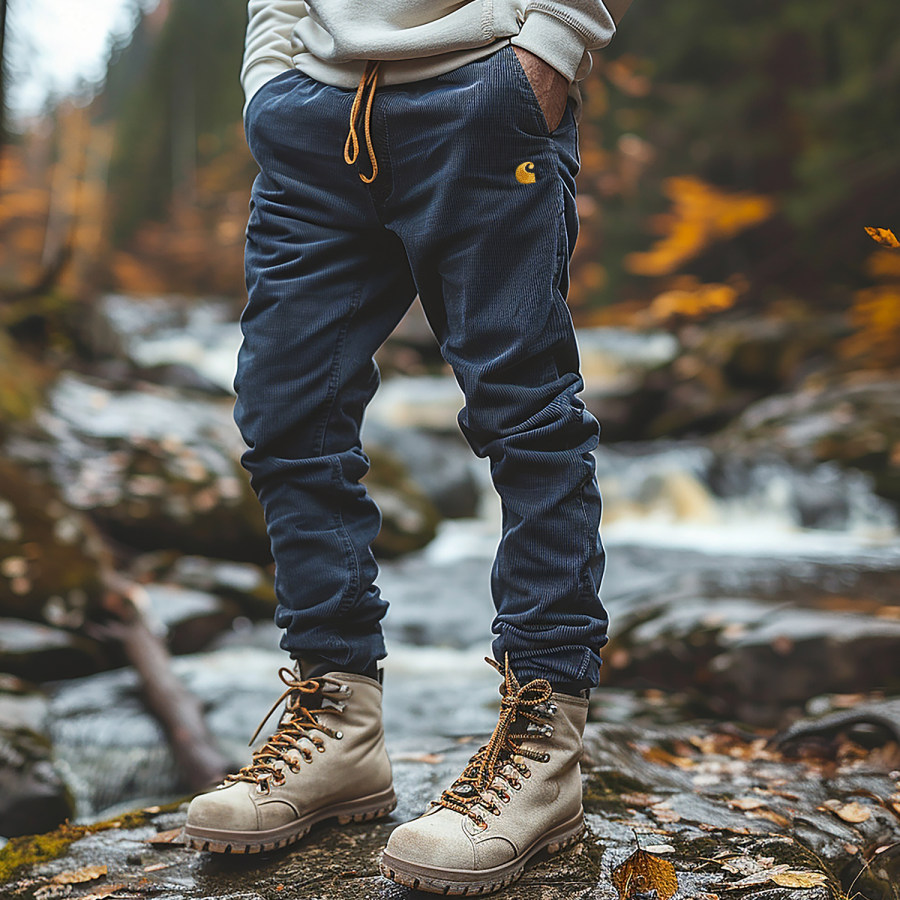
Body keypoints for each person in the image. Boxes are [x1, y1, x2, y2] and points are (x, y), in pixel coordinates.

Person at [184, 0, 631, 893]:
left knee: (525, 418)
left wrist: (552, 45)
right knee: (284, 418)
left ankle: (543, 748)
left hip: (480, 95)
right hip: (311, 113)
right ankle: (337, 721)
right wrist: (268, 79)